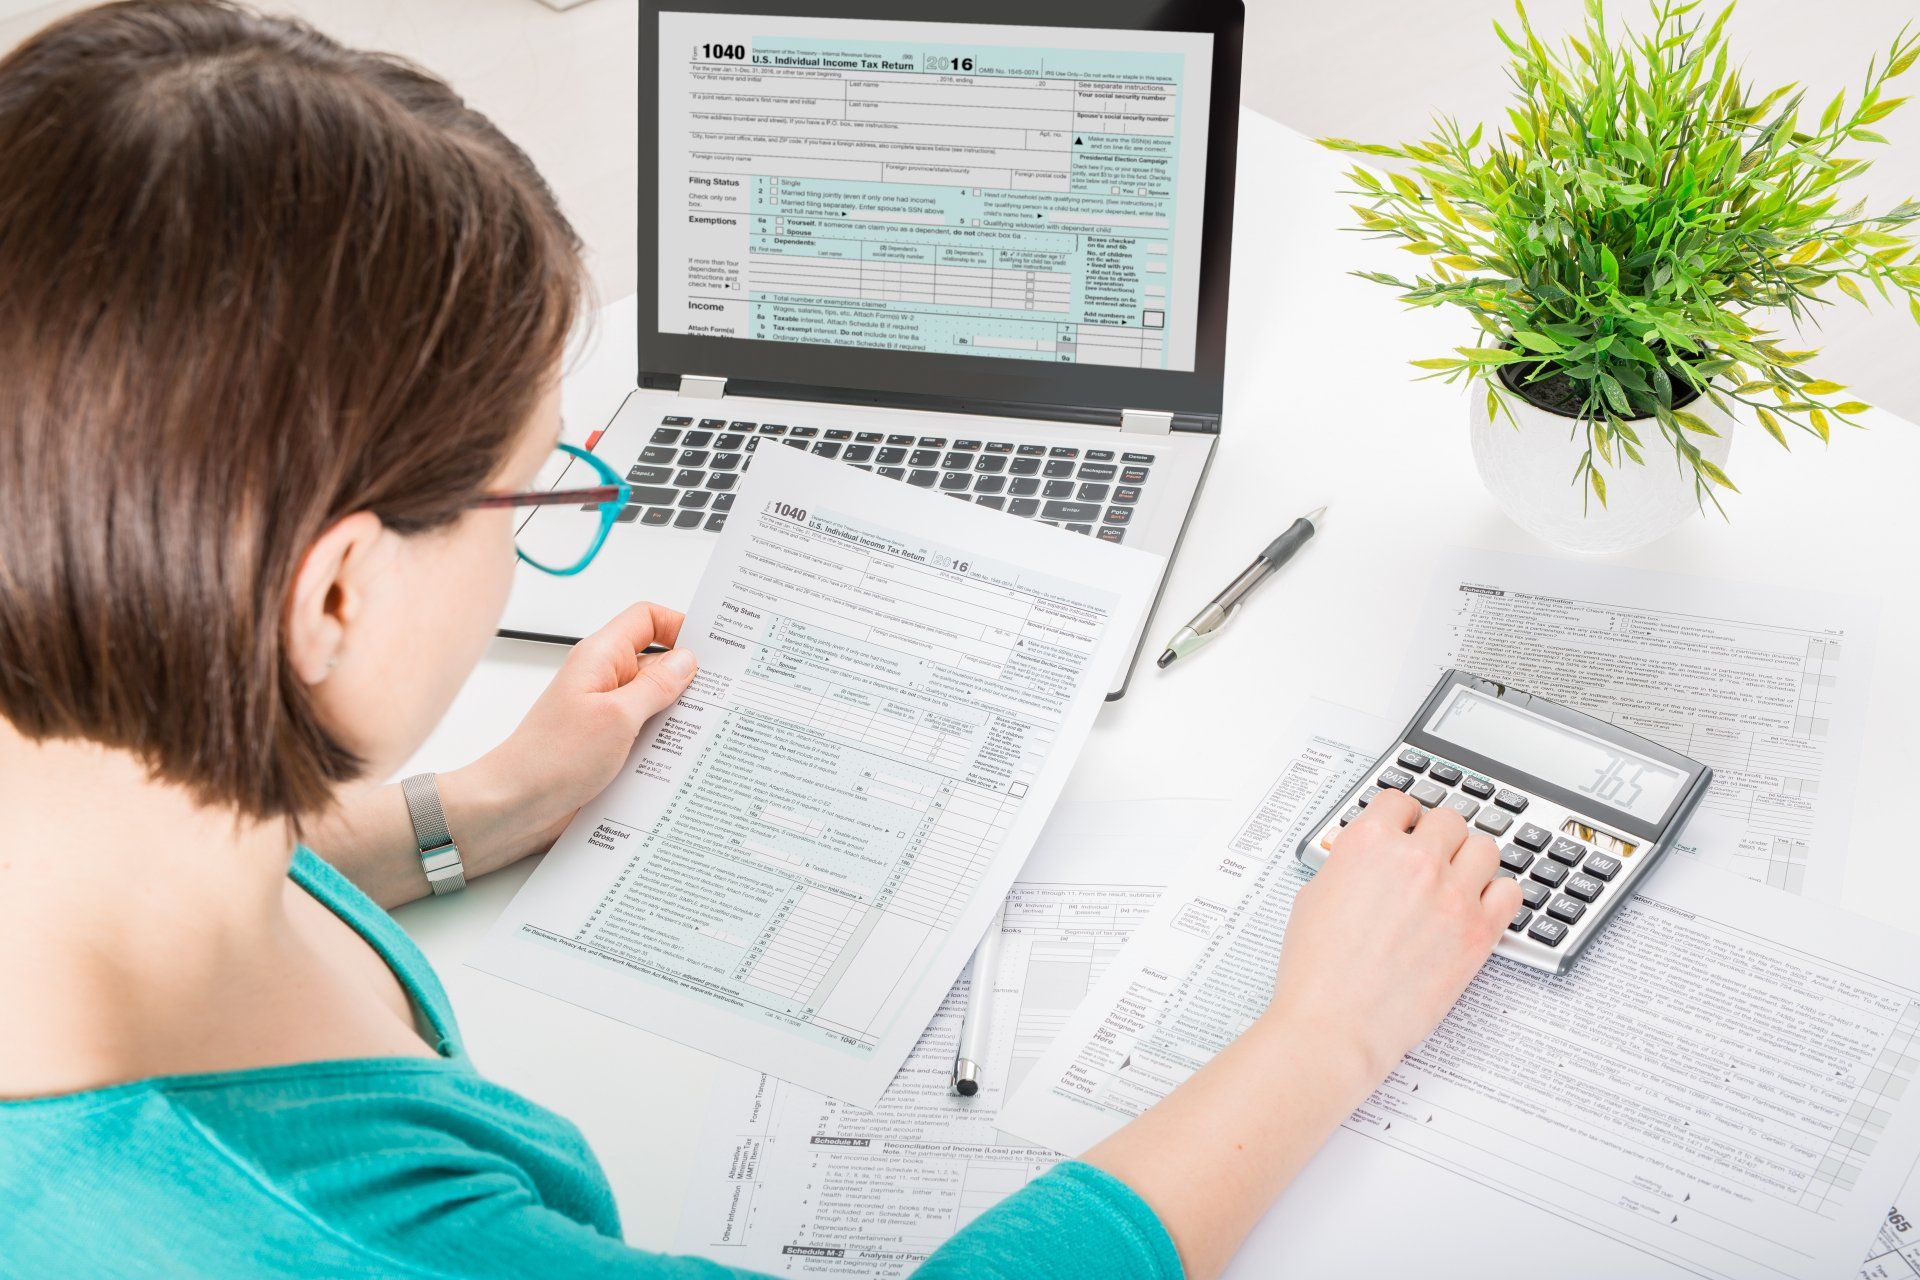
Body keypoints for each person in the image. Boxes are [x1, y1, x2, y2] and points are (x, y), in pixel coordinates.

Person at [0, 4, 1522, 1277]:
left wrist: (477, 810)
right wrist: (1331, 1031)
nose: (560, 508)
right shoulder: (330, 1235)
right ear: (335, 598)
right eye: (539, 484)